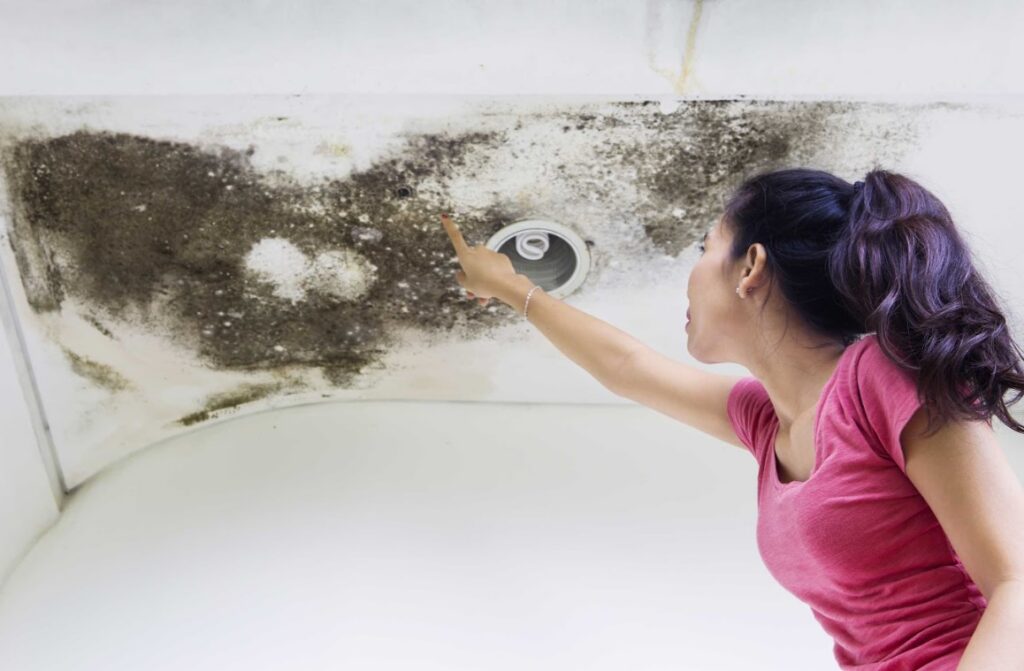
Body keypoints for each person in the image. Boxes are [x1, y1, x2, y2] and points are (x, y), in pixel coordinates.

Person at [440, 167, 1024, 671]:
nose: (691, 272)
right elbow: (629, 367)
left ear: (750, 267)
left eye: (704, 248)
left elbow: (1016, 585)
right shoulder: (768, 423)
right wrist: (512, 290)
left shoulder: (881, 376)